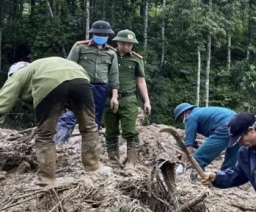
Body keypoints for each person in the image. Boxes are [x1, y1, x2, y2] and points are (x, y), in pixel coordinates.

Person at [0, 58, 101, 181]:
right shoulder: (40, 66)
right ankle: (94, 170)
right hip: (81, 77)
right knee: (89, 127)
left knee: (45, 136)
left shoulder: (18, 75)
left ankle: (47, 180)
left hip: (50, 82)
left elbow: (2, 102)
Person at [55, 20, 119, 143]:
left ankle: (90, 149)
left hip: (101, 89)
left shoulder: (111, 53)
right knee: (72, 115)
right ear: (93, 34)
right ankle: (57, 142)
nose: (101, 37)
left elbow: (114, 75)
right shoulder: (80, 47)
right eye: (98, 34)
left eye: (104, 35)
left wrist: (114, 96)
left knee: (93, 120)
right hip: (81, 86)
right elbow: (68, 67)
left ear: (107, 36)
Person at [103, 30, 151, 167]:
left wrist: (146, 101)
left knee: (131, 132)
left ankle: (131, 161)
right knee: (110, 132)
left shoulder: (136, 59)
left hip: (128, 99)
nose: (127, 47)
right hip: (108, 99)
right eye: (124, 43)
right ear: (117, 42)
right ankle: (113, 161)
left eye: (130, 44)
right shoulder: (108, 54)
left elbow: (141, 81)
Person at [173, 103, 239, 171]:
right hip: (239, 125)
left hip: (225, 127)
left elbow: (189, 144)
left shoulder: (191, 117)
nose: (183, 122)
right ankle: (226, 179)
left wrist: (182, 164)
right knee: (231, 162)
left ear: (186, 112)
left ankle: (194, 180)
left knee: (198, 160)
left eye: (180, 119)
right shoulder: (201, 112)